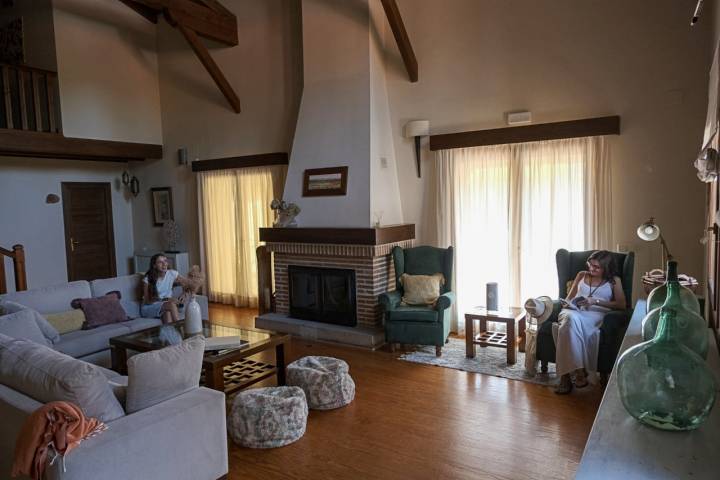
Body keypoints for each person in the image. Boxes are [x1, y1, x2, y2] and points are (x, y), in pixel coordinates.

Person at [553, 250, 626, 394]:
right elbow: (569, 298)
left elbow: (621, 305)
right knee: (570, 319)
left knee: (566, 328)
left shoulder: (614, 280)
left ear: (606, 268)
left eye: (596, 267)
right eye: (590, 265)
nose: (591, 269)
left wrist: (595, 301)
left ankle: (566, 378)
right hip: (573, 311)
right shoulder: (581, 275)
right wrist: (567, 304)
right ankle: (578, 371)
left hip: (595, 315)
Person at [141, 253, 188, 324]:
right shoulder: (147, 279)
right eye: (160, 262)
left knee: (167, 313)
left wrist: (184, 294)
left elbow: (187, 283)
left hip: (166, 306)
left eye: (165, 261)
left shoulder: (172, 273)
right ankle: (181, 328)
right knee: (171, 305)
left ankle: (172, 335)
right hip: (149, 307)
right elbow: (147, 301)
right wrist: (166, 299)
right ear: (154, 266)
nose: (164, 264)